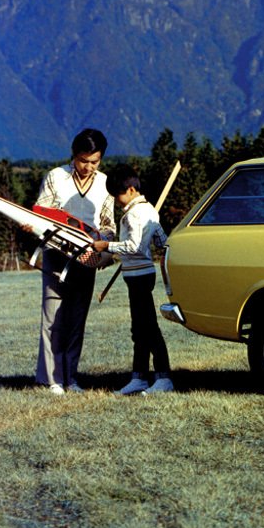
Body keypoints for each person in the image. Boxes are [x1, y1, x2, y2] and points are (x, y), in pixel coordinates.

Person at [34, 128, 116, 395]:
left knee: (77, 318)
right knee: (52, 317)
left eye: (95, 162)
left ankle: (72, 378)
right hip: (56, 254)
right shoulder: (56, 177)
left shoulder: (105, 183)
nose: (88, 167)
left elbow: (109, 226)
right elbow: (41, 213)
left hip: (87, 257)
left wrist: (99, 243)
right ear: (74, 155)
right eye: (83, 161)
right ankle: (52, 379)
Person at [92, 167, 173, 394]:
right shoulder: (148, 211)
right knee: (139, 329)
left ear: (130, 189)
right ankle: (139, 377)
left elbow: (135, 247)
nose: (116, 201)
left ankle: (164, 377)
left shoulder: (134, 214)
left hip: (139, 277)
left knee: (148, 328)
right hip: (139, 275)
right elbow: (161, 240)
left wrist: (107, 246)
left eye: (117, 195)